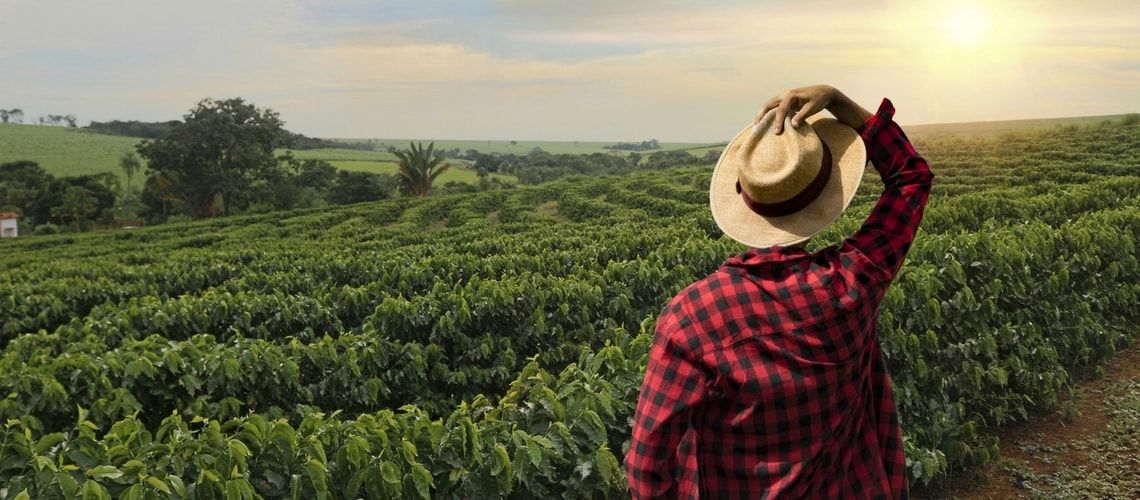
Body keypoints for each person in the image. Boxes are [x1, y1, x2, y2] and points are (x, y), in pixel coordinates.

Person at [624, 85, 934, 498]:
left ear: (743, 196)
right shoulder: (854, 282)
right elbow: (910, 179)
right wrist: (840, 103)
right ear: (827, 191)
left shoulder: (692, 317)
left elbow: (647, 466)